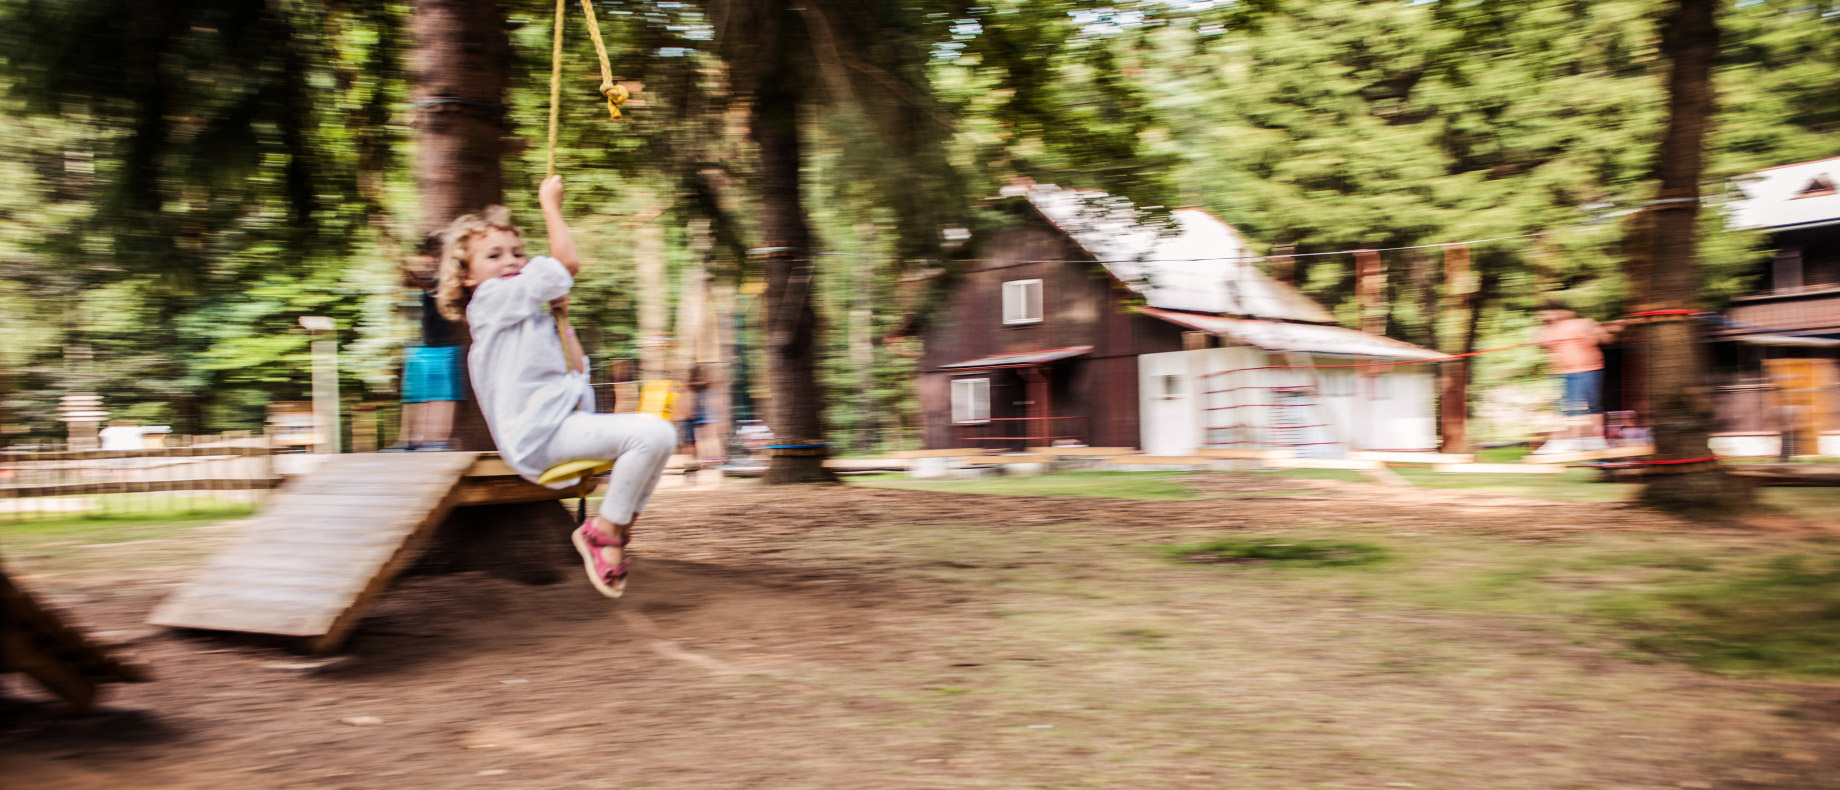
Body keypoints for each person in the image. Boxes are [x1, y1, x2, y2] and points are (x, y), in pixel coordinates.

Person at [434, 174, 676, 598]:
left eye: (517, 253)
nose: (510, 261)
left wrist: (562, 320)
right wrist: (550, 205)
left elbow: (576, 369)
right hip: (537, 435)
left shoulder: (528, 316)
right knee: (649, 435)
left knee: (664, 436)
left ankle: (615, 531)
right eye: (493, 255)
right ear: (468, 276)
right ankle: (601, 533)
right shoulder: (489, 302)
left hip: (562, 425)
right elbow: (567, 265)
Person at [396, 233, 465, 451]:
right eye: (428, 255)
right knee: (419, 395)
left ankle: (438, 439)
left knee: (443, 395)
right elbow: (413, 280)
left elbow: (427, 282)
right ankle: (416, 439)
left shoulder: (449, 277)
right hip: (426, 344)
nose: (430, 260)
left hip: (447, 344)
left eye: (434, 255)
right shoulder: (425, 278)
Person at [1532, 299, 1620, 455]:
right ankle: (1562, 441)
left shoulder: (1584, 323)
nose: (1554, 315)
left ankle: (1595, 440)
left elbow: (1607, 338)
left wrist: (1605, 330)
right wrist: (1546, 325)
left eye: (1557, 311)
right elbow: (1538, 343)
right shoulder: (1549, 328)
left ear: (1568, 312)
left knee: (1593, 406)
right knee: (1565, 408)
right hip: (1562, 373)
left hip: (1588, 370)